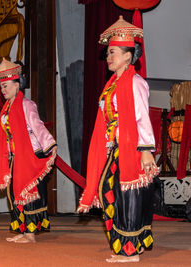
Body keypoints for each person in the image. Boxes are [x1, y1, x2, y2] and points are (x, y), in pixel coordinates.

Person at [76, 16, 159, 263]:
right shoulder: (112, 84)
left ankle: (130, 250)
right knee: (110, 193)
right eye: (108, 53)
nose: (108, 57)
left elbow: (142, 117)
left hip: (132, 149)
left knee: (127, 198)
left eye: (113, 52)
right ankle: (128, 242)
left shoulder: (135, 82)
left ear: (127, 55)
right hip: (115, 148)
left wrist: (145, 150)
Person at [0, 59, 57, 243]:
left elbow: (38, 127)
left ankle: (30, 233)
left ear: (17, 84)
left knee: (29, 193)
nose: (2, 90)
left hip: (31, 155)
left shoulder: (27, 104)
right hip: (16, 157)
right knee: (14, 193)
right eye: (1, 87)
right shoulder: (6, 109)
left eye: (5, 86)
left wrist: (50, 145)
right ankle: (22, 229)